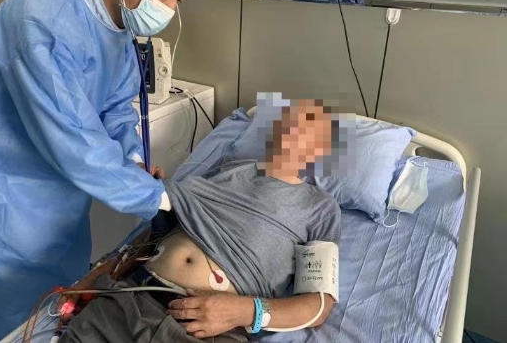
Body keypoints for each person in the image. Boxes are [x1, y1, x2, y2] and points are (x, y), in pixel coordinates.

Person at [0, 0, 203, 340]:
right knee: (20, 309)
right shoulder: (44, 23)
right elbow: (73, 142)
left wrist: (134, 161)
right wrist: (158, 199)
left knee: (66, 288)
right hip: (9, 182)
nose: (171, 9)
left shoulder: (114, 20)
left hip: (59, 181)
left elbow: (115, 108)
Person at [59, 100, 341, 343]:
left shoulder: (320, 207)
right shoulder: (228, 168)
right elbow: (165, 229)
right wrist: (99, 273)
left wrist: (245, 312)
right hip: (130, 298)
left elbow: (319, 306)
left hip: (207, 329)